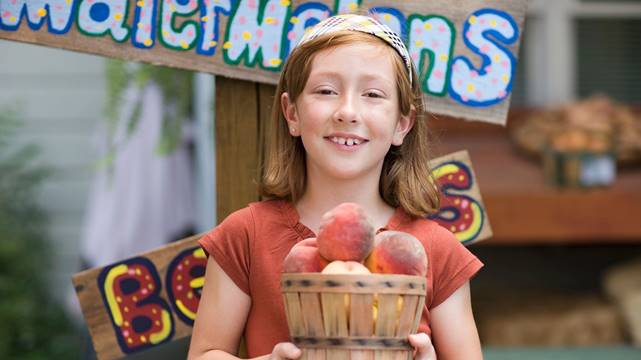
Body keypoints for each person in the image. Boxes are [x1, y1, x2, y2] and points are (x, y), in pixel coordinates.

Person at [188, 14, 484, 360]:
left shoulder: (435, 249)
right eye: (326, 91)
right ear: (292, 113)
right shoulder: (246, 235)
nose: (347, 111)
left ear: (402, 124)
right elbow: (205, 353)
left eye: (373, 94)